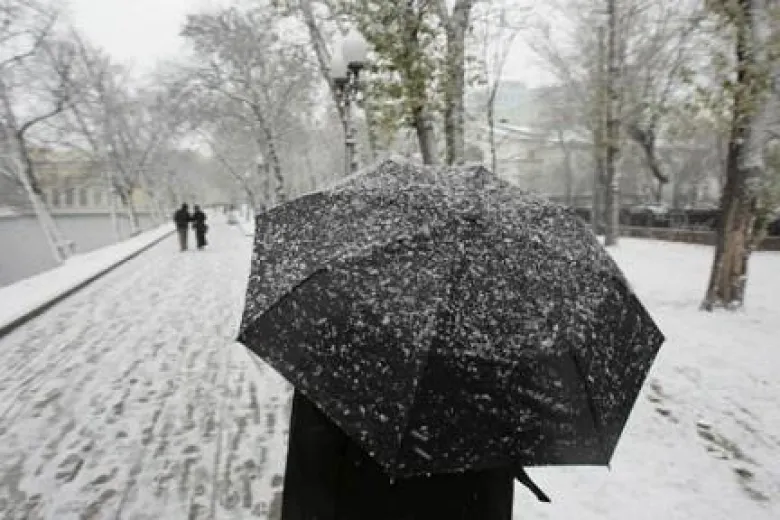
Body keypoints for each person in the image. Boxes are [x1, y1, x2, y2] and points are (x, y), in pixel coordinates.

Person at [280, 390, 526, 520]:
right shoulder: (494, 341)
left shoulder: (338, 335)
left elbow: (310, 465)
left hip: (364, 498)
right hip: (465, 501)